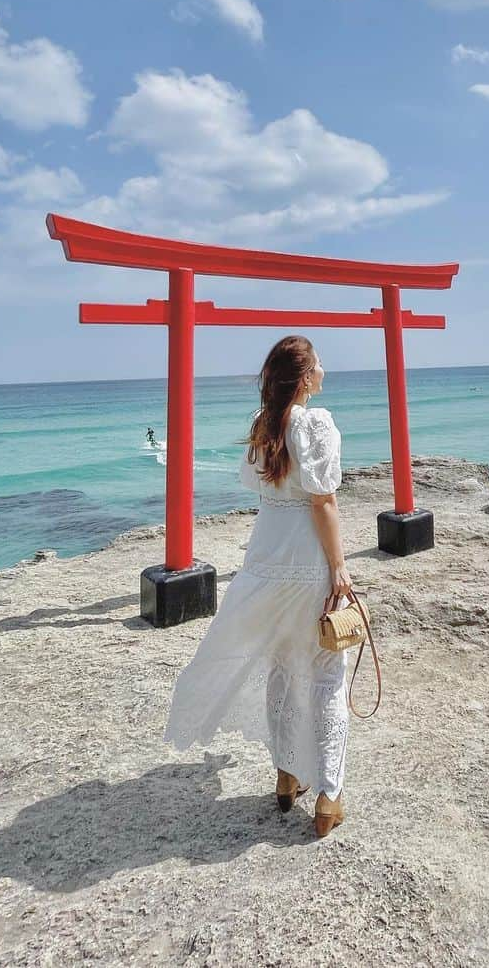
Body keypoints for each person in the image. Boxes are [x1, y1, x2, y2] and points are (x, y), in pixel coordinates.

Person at [162, 335, 353, 838]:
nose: (325, 371)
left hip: (265, 559)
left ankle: (287, 775)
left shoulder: (265, 426)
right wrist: (339, 566)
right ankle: (329, 796)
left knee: (282, 667)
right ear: (306, 375)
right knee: (326, 671)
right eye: (319, 364)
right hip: (306, 559)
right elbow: (323, 501)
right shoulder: (313, 423)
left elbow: (264, 489)